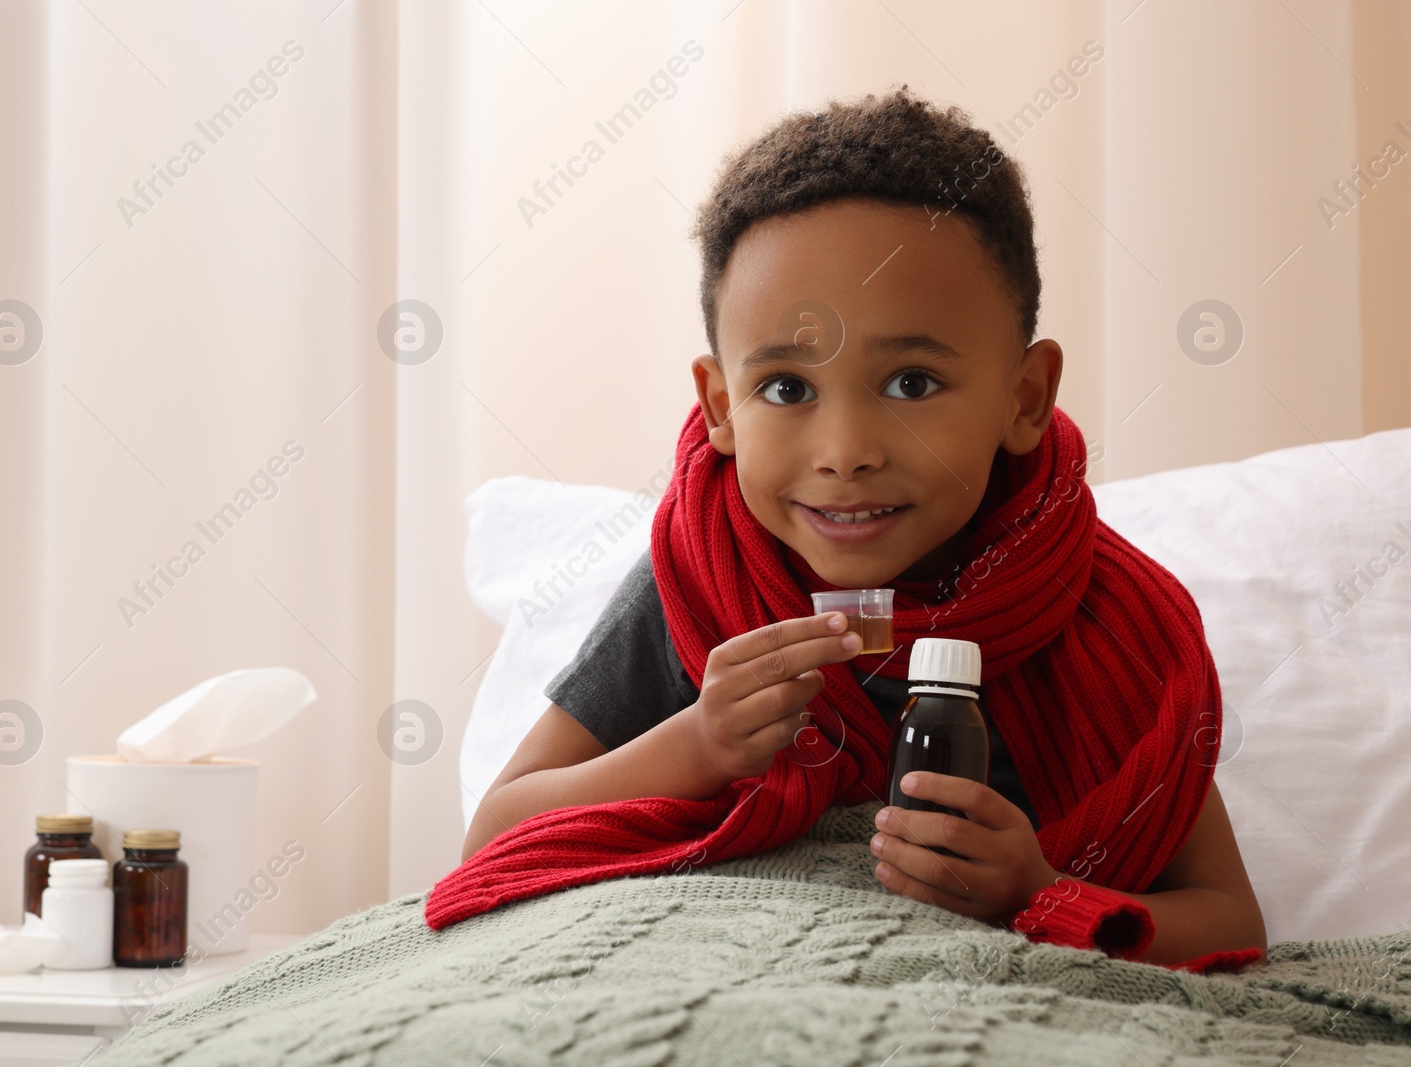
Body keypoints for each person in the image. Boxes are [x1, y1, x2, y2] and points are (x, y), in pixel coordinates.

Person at [439, 88, 1266, 968]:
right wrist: (698, 745)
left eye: (911, 382)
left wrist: (1042, 893)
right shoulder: (697, 583)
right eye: (787, 389)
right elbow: (496, 836)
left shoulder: (1100, 617)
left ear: (1024, 398)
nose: (845, 452)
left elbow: (1231, 920)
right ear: (721, 406)